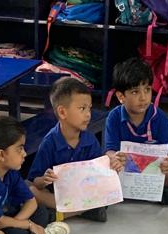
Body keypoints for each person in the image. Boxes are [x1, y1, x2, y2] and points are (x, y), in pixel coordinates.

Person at [29, 76, 123, 221]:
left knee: (106, 193)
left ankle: (61, 214)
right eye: (82, 108)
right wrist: (44, 179)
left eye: (89, 108)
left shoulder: (90, 140)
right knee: (31, 190)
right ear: (62, 112)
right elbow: (35, 181)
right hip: (58, 195)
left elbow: (99, 175)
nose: (88, 114)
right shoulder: (50, 142)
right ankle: (82, 211)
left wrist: (112, 166)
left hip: (83, 193)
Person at [0, 116, 72, 234]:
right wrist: (28, 225)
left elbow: (31, 201)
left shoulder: (10, 171)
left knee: (41, 211)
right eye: (19, 149)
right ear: (1, 155)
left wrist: (17, 223)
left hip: (8, 218)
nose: (24, 154)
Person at [102, 57, 168, 206]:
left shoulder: (159, 117)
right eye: (135, 92)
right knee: (104, 171)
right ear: (121, 96)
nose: (143, 97)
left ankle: (142, 192)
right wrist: (115, 157)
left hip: (152, 174)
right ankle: (161, 195)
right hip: (125, 171)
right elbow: (109, 150)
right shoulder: (113, 118)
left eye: (147, 90)